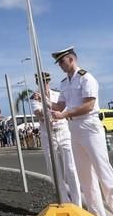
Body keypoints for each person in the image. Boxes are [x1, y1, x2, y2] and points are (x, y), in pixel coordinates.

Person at [49, 46, 113, 216]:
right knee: (86, 181)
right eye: (59, 63)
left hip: (89, 127)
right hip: (74, 130)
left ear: (71, 59)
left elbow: (88, 104)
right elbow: (60, 105)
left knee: (105, 176)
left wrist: (65, 115)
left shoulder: (86, 78)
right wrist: (44, 100)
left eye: (62, 62)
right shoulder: (64, 83)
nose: (60, 66)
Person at [31, 72, 81, 207]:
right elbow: (38, 113)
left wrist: (48, 105)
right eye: (41, 82)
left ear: (49, 82)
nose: (44, 84)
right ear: (37, 83)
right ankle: (65, 200)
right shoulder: (35, 98)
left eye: (46, 82)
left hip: (63, 132)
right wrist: (45, 115)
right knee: (54, 169)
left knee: (71, 168)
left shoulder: (57, 94)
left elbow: (61, 107)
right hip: (48, 134)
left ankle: (77, 203)